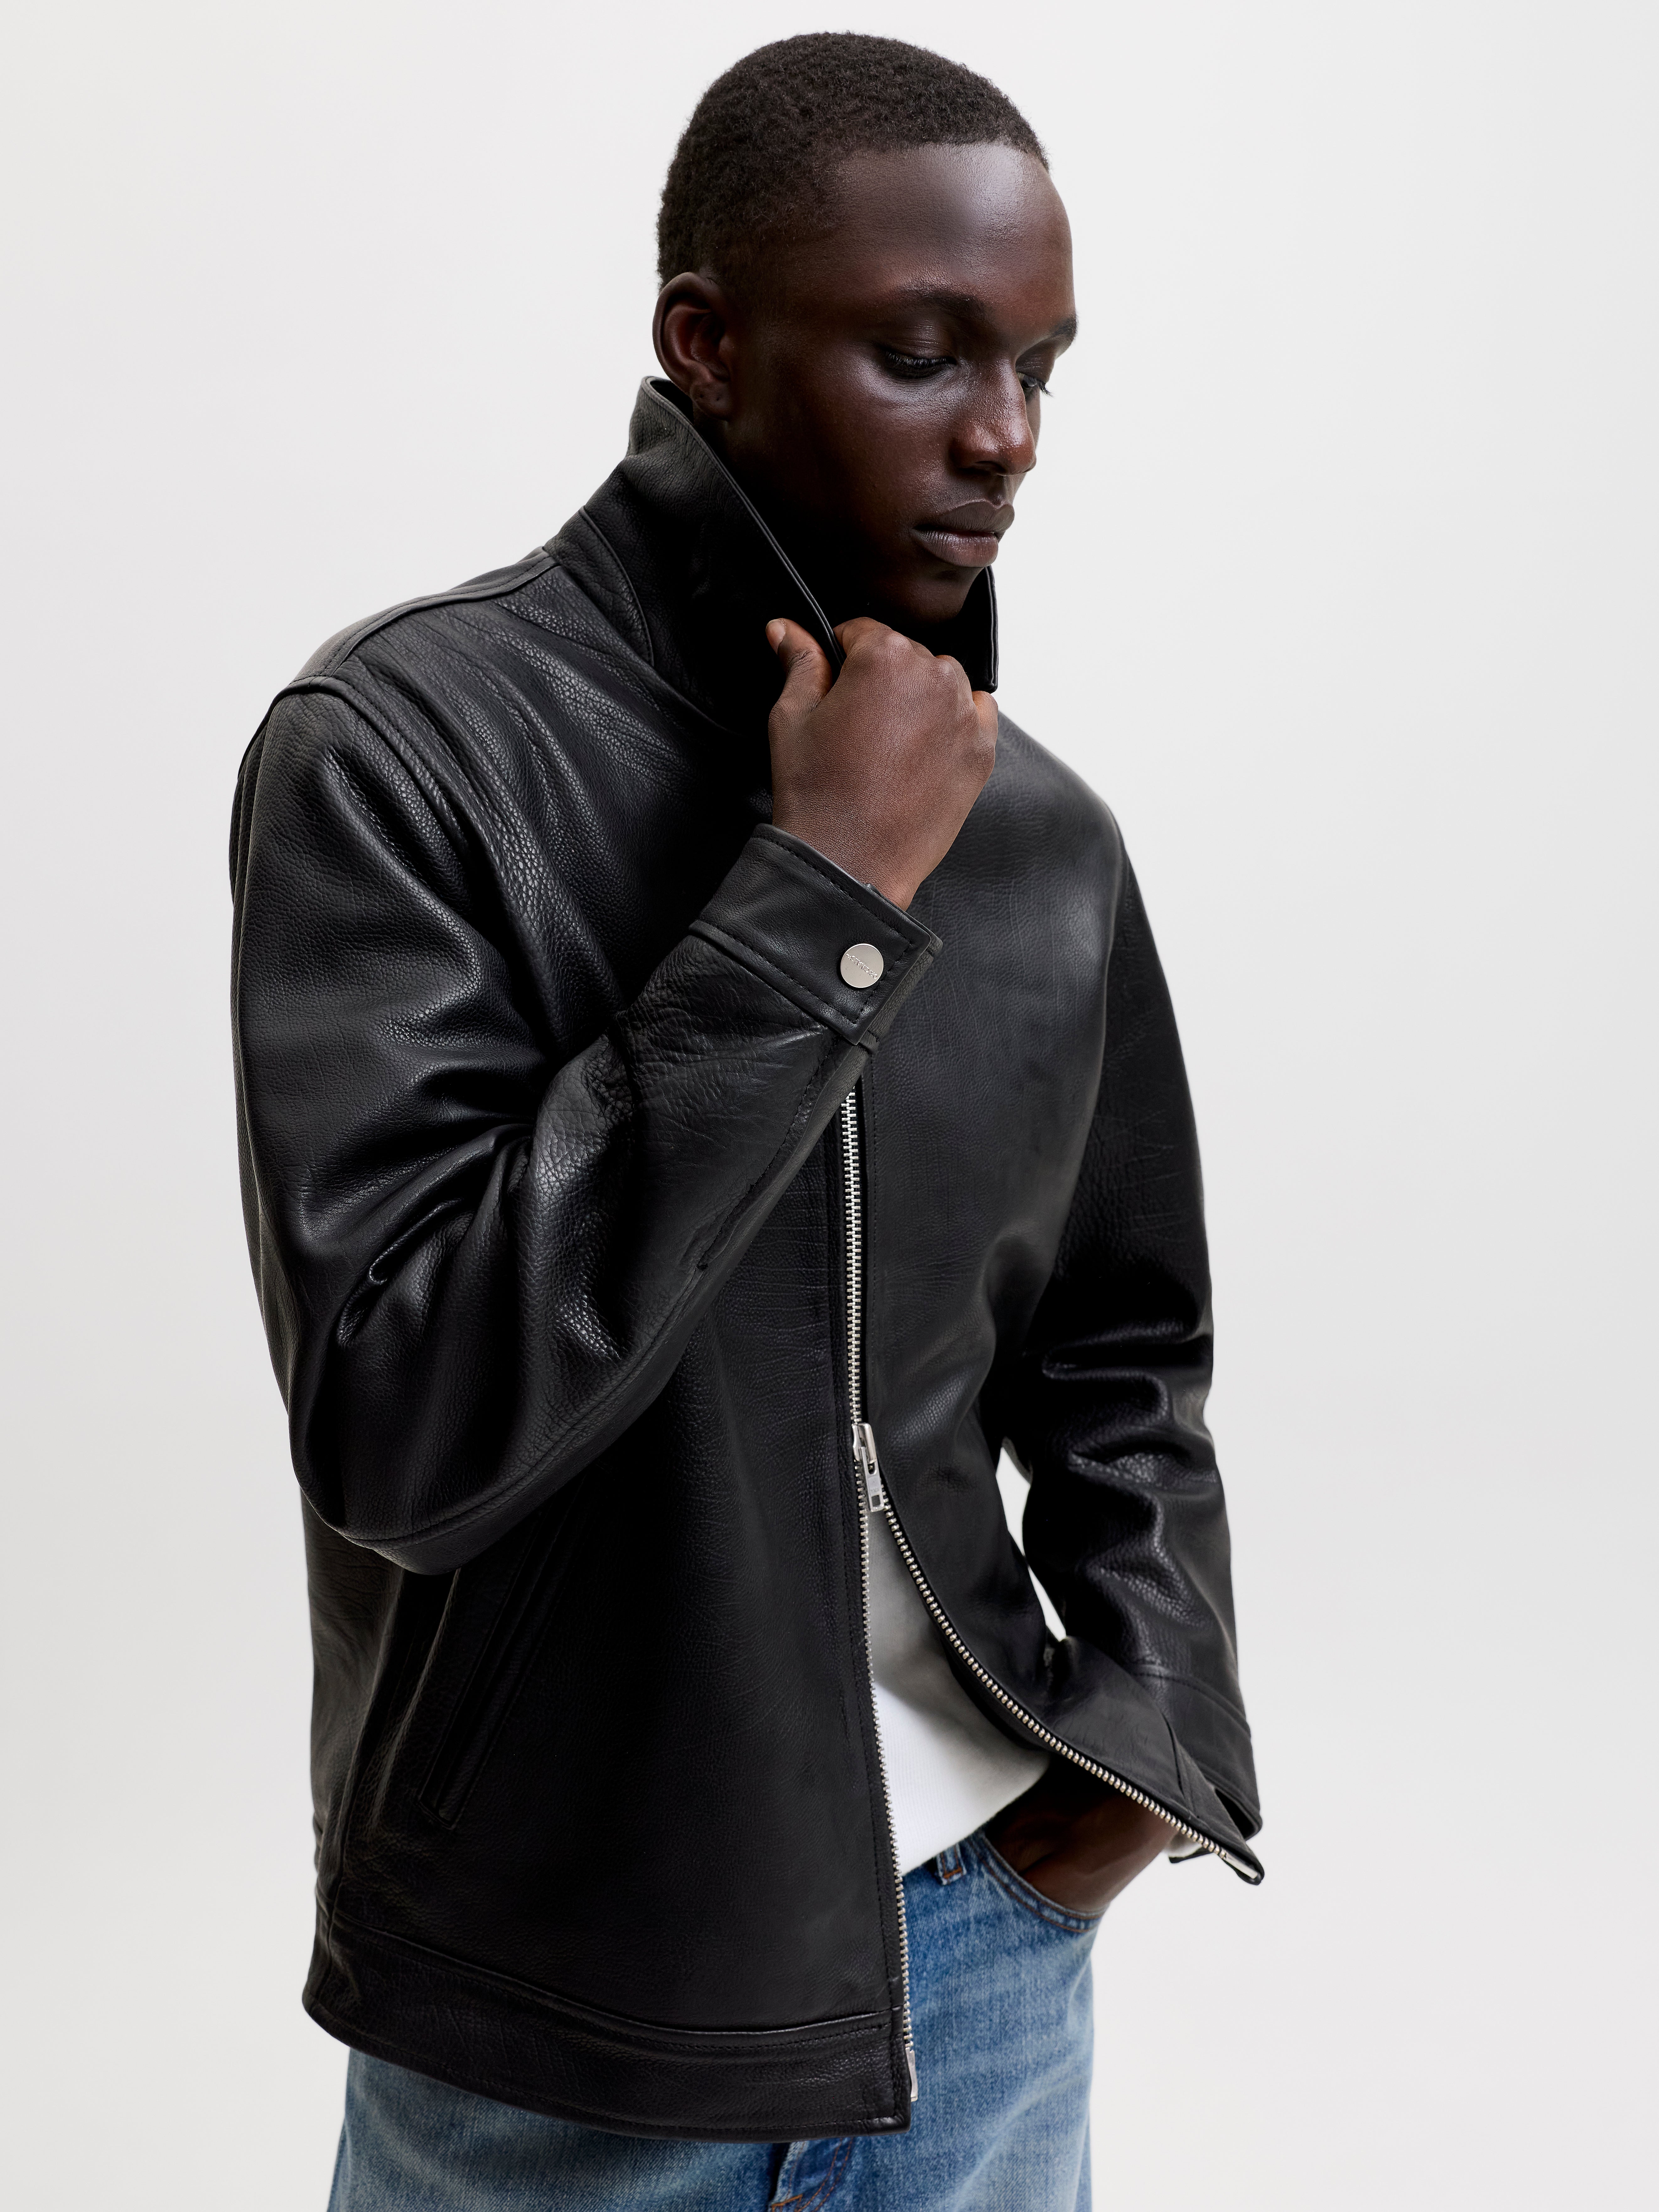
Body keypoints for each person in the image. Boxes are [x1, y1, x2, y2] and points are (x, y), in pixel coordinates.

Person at [230, 31, 1261, 2211]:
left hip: (984, 1958)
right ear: (705, 343)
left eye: (1038, 368)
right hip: (560, 2010)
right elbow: (408, 1423)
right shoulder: (404, 753)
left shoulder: (1036, 830)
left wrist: (1137, 1761)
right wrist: (817, 902)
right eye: (922, 351)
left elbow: (1122, 1353)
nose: (1003, 433)